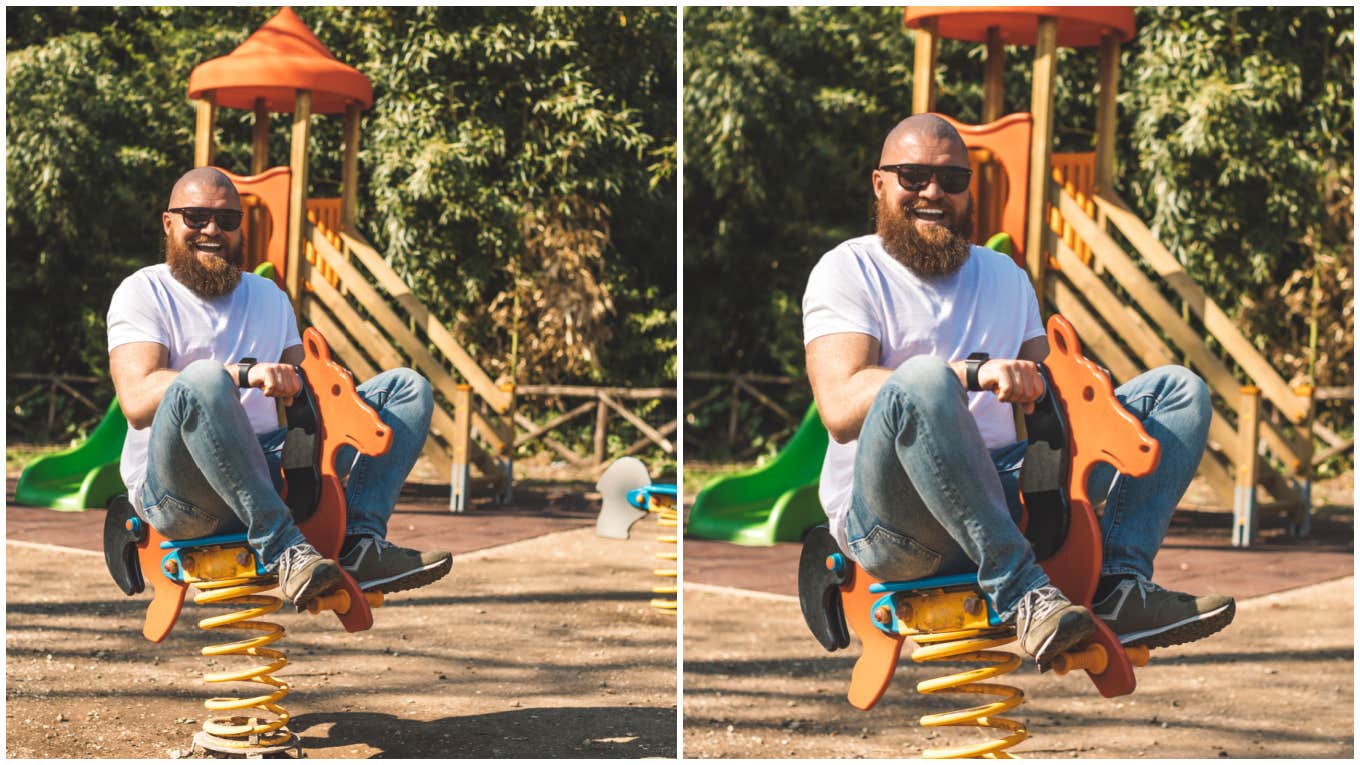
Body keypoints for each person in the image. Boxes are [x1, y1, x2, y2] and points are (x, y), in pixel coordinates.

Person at [802, 114, 1234, 666]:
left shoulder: (1004, 275)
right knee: (925, 377)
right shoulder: (849, 270)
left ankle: (1119, 588)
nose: (933, 192)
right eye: (913, 176)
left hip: (1004, 487)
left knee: (1179, 391)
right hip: (893, 521)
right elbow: (839, 407)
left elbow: (1051, 397)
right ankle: (1023, 593)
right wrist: (968, 373)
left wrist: (1079, 393)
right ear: (880, 183)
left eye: (952, 180)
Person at [108, 167, 452, 609]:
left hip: (269, 465)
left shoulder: (269, 296)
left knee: (407, 388)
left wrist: (328, 391)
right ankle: (284, 549)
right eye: (196, 217)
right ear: (168, 222)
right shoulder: (143, 291)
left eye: (227, 220)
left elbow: (306, 395)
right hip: (179, 492)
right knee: (205, 377)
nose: (212, 230)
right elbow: (136, 400)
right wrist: (240, 373)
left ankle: (360, 545)